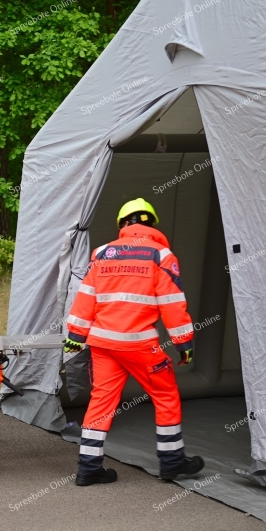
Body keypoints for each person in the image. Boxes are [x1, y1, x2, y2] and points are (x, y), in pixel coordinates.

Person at [64, 198, 204, 485]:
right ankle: (172, 462)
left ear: (122, 225)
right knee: (165, 396)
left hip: (102, 344)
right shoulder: (161, 255)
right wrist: (183, 343)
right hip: (140, 345)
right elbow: (172, 303)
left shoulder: (102, 253)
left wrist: (76, 336)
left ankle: (88, 467)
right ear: (151, 223)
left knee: (101, 402)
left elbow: (85, 297)